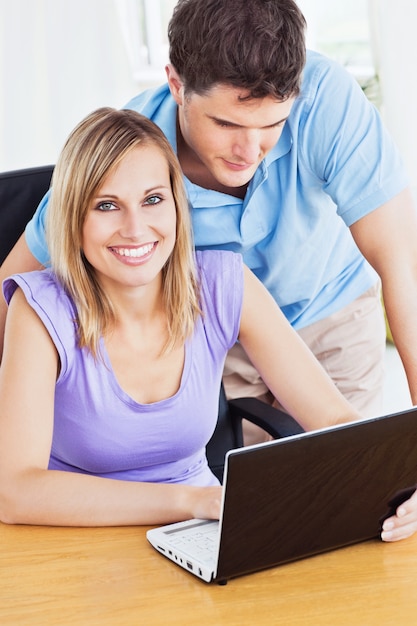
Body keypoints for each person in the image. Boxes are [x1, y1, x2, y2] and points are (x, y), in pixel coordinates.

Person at [1, 0, 417, 438]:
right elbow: (15, 289)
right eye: (225, 124)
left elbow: (402, 264)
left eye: (272, 125)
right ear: (176, 85)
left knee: (351, 488)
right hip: (221, 345)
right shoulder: (130, 153)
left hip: (335, 315)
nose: (250, 151)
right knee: (254, 495)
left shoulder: (325, 98)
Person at [0, 107, 415, 540]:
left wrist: (397, 485)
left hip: (203, 536)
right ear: (73, 218)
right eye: (107, 206)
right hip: (74, 536)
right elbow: (16, 491)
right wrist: (188, 501)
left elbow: (332, 418)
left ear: (178, 206)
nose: (135, 228)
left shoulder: (223, 283)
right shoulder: (39, 310)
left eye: (153, 200)